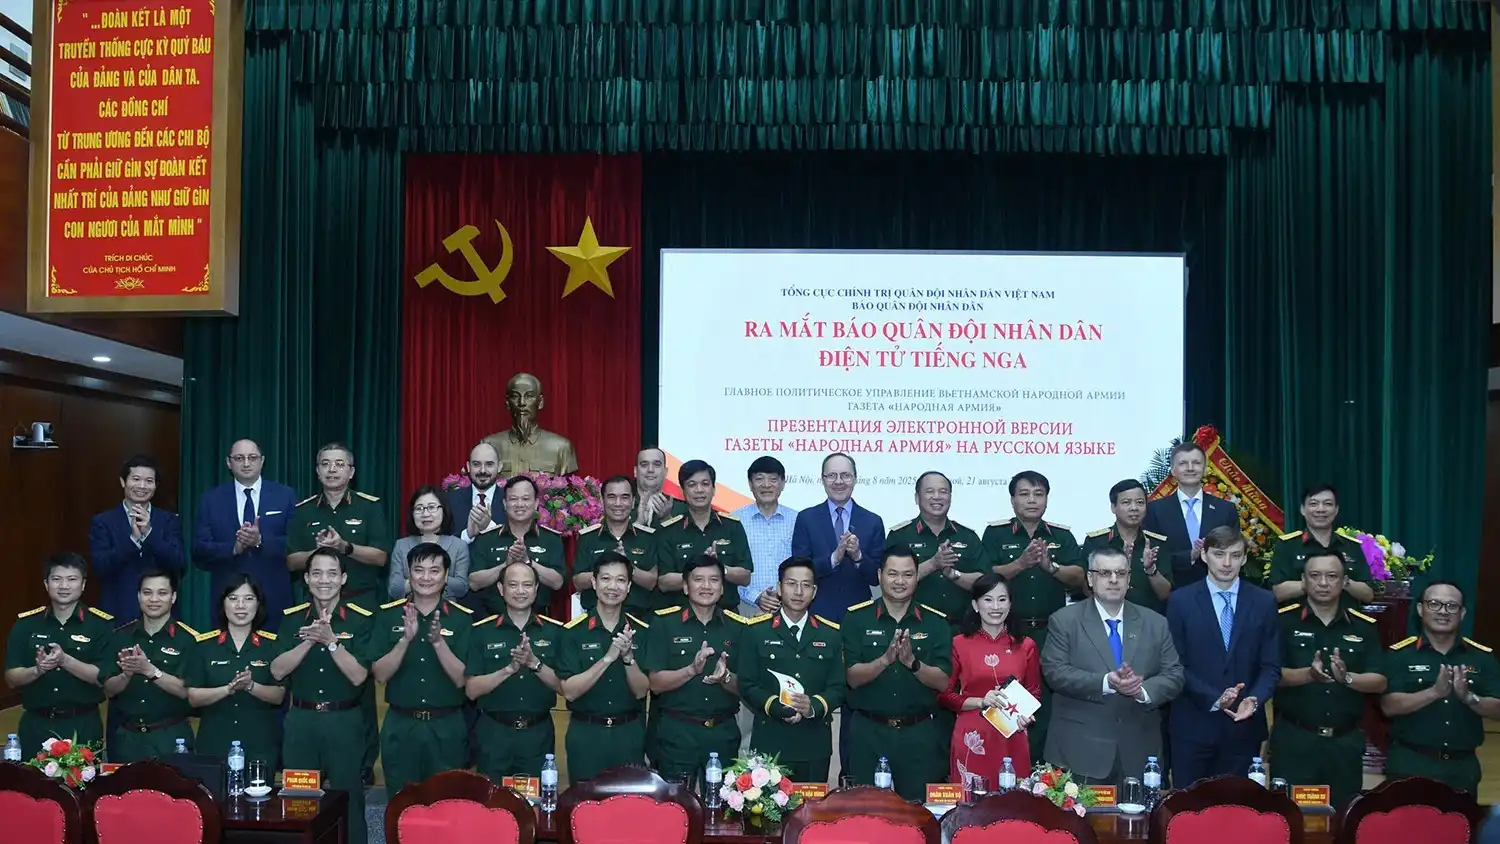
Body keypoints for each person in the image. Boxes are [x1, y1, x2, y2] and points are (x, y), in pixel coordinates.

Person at [1041, 548, 1183, 784]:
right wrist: (1106, 682)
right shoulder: (1064, 620)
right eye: (1105, 573)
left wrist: (1141, 691)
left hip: (1139, 751)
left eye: (1120, 573)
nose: (1114, 580)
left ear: (1129, 578)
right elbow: (1055, 672)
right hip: (1080, 752)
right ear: (1090, 578)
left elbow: (1174, 674)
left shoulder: (1155, 622)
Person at [270, 548, 374, 844]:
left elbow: (359, 676)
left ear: (343, 578)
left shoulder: (361, 620)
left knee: (349, 801)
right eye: (316, 573)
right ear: (306, 579)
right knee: (299, 802)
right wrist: (309, 640)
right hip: (301, 722)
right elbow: (277, 671)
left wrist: (331, 642)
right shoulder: (292, 619)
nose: (324, 580)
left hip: (344, 721)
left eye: (331, 574)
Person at [981, 470, 1084, 762]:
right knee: (1006, 699)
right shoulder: (996, 534)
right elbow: (985, 576)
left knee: (1045, 701)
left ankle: (1043, 769)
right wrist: (1021, 563)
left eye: (1039, 494)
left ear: (1047, 499)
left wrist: (1051, 567)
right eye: (1024, 494)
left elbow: (1080, 577)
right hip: (1008, 632)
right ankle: (1005, 765)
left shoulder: (1061, 536)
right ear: (1012, 500)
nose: (1032, 500)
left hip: (1051, 633)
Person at [1166, 526, 1281, 785]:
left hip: (1244, 728)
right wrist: (1214, 698)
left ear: (1244, 558)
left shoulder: (1264, 601)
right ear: (1204, 555)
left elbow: (1271, 665)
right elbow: (1174, 663)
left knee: (1238, 806)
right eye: (1219, 554)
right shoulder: (1180, 601)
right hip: (1193, 726)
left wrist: (1254, 699)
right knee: (1188, 806)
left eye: (1235, 555)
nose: (1227, 563)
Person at [1270, 551, 1385, 807]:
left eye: (1332, 576)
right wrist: (1308, 675)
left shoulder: (1363, 626)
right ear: (1303, 580)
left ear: (1344, 582)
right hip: (1295, 742)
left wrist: (1348, 678)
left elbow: (1380, 680)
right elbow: (1269, 675)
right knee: (1290, 817)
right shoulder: (1283, 622)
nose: (1323, 583)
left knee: (1343, 818)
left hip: (1344, 744)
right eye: (1315, 576)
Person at [842, 545, 953, 800]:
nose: (900, 581)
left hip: (918, 734)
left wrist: (913, 663)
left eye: (907, 574)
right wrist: (884, 661)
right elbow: (851, 678)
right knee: (865, 810)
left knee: (917, 813)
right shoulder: (856, 619)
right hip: (868, 733)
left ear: (916, 577)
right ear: (879, 575)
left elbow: (943, 682)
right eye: (893, 574)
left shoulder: (935, 622)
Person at [371, 542, 473, 794]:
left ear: (446, 576)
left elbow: (463, 680)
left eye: (434, 571)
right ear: (409, 574)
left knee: (446, 802)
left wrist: (439, 643)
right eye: (419, 570)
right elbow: (380, 675)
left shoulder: (462, 619)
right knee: (400, 803)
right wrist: (404, 640)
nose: (426, 577)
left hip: (446, 727)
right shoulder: (387, 616)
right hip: (401, 726)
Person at [1381, 580, 1500, 795]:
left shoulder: (1482, 657)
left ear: (1462, 613)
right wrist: (1433, 692)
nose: (1443, 611)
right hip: (1410, 764)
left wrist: (1469, 698)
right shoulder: (1400, 655)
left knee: (1461, 818)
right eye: (1434, 604)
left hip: (1462, 769)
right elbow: (1388, 706)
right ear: (1420, 609)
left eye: (1451, 606)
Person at [643, 555, 748, 789]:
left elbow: (747, 687)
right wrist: (691, 670)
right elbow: (655, 684)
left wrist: (725, 678)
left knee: (723, 806)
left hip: (723, 734)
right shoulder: (664, 623)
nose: (706, 586)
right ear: (685, 586)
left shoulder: (738, 627)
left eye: (714, 580)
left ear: (722, 588)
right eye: (698, 579)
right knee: (677, 807)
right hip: (677, 735)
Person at [737, 556, 845, 785]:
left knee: (813, 807)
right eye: (791, 583)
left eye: (806, 585)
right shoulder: (756, 632)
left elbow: (838, 687)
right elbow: (747, 684)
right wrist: (776, 706)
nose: (798, 591)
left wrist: (813, 705)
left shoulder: (831, 634)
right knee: (766, 808)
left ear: (814, 591)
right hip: (770, 743)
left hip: (814, 744)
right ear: (779, 588)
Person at [466, 560, 566, 780]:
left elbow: (564, 688)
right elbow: (471, 690)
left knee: (536, 798)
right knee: (491, 799)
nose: (520, 591)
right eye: (513, 584)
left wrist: (535, 664)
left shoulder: (555, 632)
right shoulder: (481, 632)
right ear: (501, 589)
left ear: (536, 589)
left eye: (527, 585)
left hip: (537, 736)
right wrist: (508, 670)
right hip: (494, 735)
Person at [557, 552, 652, 781]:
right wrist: (607, 659)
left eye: (620, 580)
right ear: (593, 582)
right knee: (583, 801)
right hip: (586, 734)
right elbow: (569, 691)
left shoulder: (642, 631)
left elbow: (642, 691)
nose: (613, 586)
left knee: (628, 801)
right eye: (606, 579)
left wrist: (628, 657)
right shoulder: (572, 632)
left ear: (629, 587)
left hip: (628, 734)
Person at [4, 552, 113, 754]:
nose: (64, 586)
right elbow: (12, 678)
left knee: (85, 776)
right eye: (56, 579)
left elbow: (104, 678)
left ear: (83, 584)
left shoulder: (100, 626)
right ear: (46, 584)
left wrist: (65, 660)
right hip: (36, 726)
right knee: (30, 776)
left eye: (72, 579)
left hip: (83, 725)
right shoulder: (25, 625)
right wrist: (37, 670)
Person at [939, 574, 1039, 790]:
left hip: (1013, 734)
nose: (995, 607)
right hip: (972, 736)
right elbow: (944, 695)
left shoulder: (1026, 645)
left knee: (1014, 803)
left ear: (1010, 604)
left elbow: (1034, 692)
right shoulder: (959, 644)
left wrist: (1027, 716)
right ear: (975, 605)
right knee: (971, 804)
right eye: (988, 599)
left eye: (1002, 599)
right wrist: (980, 701)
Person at [192, 438, 300, 620]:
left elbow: (296, 543)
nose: (246, 463)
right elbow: (199, 550)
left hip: (274, 596)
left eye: (252, 457)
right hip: (228, 598)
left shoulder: (285, 495)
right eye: (239, 458)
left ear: (262, 461)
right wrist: (234, 548)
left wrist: (260, 540)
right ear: (229, 463)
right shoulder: (211, 499)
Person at [186, 574, 286, 769]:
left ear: (258, 604)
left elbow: (279, 696)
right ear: (223, 604)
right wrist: (228, 689)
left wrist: (251, 686)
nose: (241, 606)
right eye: (233, 598)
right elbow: (193, 697)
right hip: (214, 743)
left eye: (248, 599)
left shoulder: (273, 646)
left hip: (260, 745)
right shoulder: (203, 646)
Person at [99, 569, 199, 760]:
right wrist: (126, 675)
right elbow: (109, 690)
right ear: (138, 596)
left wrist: (150, 671)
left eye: (162, 593)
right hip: (128, 739)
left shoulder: (189, 640)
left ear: (173, 597)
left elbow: (188, 692)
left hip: (171, 738)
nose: (154, 599)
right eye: (147, 593)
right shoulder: (120, 637)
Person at [286, 442, 392, 607]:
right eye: (325, 464)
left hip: (360, 602)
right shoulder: (303, 510)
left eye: (339, 464)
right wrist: (318, 552)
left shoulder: (369, 507)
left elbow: (381, 557)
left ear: (351, 472)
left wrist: (345, 547)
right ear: (318, 471)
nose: (332, 469)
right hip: (315, 603)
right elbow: (291, 562)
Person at [88, 455, 186, 623]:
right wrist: (133, 540)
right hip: (117, 612)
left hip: (161, 614)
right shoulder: (103, 522)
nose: (142, 486)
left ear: (155, 485)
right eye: (136, 479)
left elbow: (179, 564)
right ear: (123, 482)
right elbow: (100, 567)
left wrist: (149, 534)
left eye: (149, 481)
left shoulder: (169, 520)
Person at [792, 453, 883, 622]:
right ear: (823, 479)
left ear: (855, 478)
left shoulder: (872, 521)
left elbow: (876, 578)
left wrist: (858, 556)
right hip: (817, 615)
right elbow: (799, 571)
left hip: (860, 615)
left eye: (845, 475)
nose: (839, 481)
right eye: (832, 475)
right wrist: (833, 558)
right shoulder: (806, 518)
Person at [657, 460, 753, 612]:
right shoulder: (670, 530)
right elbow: (664, 582)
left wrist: (720, 568)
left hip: (726, 615)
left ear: (714, 489)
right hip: (682, 618)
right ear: (683, 491)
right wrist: (699, 573)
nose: (699, 490)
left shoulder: (732, 526)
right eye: (692, 485)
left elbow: (745, 577)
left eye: (705, 484)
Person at [467, 475, 567, 616]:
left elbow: (558, 583)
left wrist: (528, 562)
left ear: (536, 503)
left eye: (525, 499)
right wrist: (505, 565)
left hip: (538, 621)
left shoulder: (551, 539)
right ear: (504, 503)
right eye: (513, 499)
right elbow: (474, 583)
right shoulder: (487, 539)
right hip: (492, 621)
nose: (519, 504)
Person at [1143, 442, 1237, 589]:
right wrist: (1190, 556)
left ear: (1204, 468)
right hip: (1172, 591)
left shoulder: (1226, 509)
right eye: (1183, 463)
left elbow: (1235, 553)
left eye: (1196, 463)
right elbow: (1154, 556)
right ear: (1173, 470)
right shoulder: (1154, 510)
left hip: (1217, 588)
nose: (1190, 468)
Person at [1269, 484, 1375, 608]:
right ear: (1302, 509)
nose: (1321, 509)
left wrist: (1343, 582)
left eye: (1327, 504)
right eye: (1313, 504)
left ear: (1336, 510)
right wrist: (1310, 584)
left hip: (1344, 618)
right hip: (1299, 618)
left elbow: (1368, 595)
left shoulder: (1351, 546)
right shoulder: (1287, 545)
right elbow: (1277, 593)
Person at [574, 475, 664, 617]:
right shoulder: (588, 538)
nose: (618, 503)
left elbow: (652, 582)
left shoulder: (647, 537)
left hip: (638, 617)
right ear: (602, 500)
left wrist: (627, 566)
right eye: (611, 497)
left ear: (633, 502)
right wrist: (606, 571)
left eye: (624, 497)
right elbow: (578, 582)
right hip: (596, 618)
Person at [1080, 480, 1171, 614]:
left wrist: (1151, 570)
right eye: (1126, 502)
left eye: (1140, 502)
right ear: (1113, 507)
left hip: (1148, 619)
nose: (1134, 508)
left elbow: (1165, 594)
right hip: (1106, 618)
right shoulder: (1096, 542)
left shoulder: (1156, 543)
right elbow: (1087, 589)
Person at [732, 456, 798, 614]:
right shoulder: (735, 520)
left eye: (773, 479)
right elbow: (730, 567)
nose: (766, 485)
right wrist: (755, 596)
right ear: (750, 484)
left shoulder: (797, 520)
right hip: (746, 607)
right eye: (759, 479)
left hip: (789, 607)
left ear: (783, 483)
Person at [481, 372, 579, 474]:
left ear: (540, 402)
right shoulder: (488, 446)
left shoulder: (562, 448)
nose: (522, 403)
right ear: (507, 403)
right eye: (515, 396)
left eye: (529, 396)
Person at [388, 486, 471, 601]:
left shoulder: (458, 546)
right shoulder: (401, 545)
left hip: (446, 608)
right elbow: (394, 589)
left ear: (444, 510)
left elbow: (461, 588)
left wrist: (425, 579)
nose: (425, 514)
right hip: (410, 607)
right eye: (419, 508)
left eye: (431, 507)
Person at [452, 442, 504, 543]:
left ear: (499, 467)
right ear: (468, 467)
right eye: (476, 464)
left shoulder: (511, 500)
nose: (483, 470)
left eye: (489, 464)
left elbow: (516, 541)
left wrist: (489, 526)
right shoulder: (451, 500)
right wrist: (468, 535)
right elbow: (444, 543)